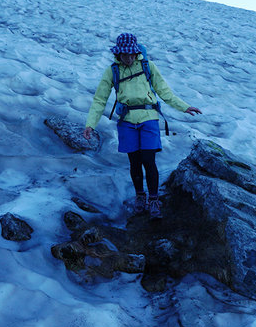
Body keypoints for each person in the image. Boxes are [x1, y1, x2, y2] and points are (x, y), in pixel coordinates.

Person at [83, 33, 202, 219]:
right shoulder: (112, 71)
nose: (129, 58)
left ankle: (154, 199)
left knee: (148, 159)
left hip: (148, 117)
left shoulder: (148, 66)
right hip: (127, 121)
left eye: (131, 54)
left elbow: (164, 91)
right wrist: (91, 124)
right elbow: (100, 99)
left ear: (136, 52)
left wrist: (184, 107)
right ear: (118, 53)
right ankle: (140, 196)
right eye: (125, 54)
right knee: (135, 162)